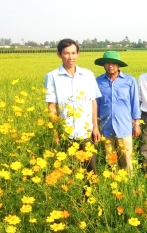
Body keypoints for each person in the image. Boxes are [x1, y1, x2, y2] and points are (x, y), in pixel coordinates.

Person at [45, 38, 101, 174]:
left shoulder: (87, 75)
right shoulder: (52, 76)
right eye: (66, 53)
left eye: (73, 53)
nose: (71, 57)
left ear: (78, 54)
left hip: (86, 132)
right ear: (59, 54)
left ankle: (90, 196)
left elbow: (92, 101)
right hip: (66, 134)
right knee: (70, 172)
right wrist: (55, 133)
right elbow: (52, 106)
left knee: (90, 172)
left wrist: (95, 127)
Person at [95, 51, 141, 175]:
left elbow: (135, 103)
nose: (111, 65)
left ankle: (129, 186)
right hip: (106, 127)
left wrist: (137, 123)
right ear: (103, 65)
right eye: (107, 63)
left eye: (114, 63)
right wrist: (95, 127)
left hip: (124, 127)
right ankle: (114, 185)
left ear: (118, 65)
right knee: (111, 161)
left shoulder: (129, 81)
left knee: (126, 159)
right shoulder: (98, 82)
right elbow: (96, 106)